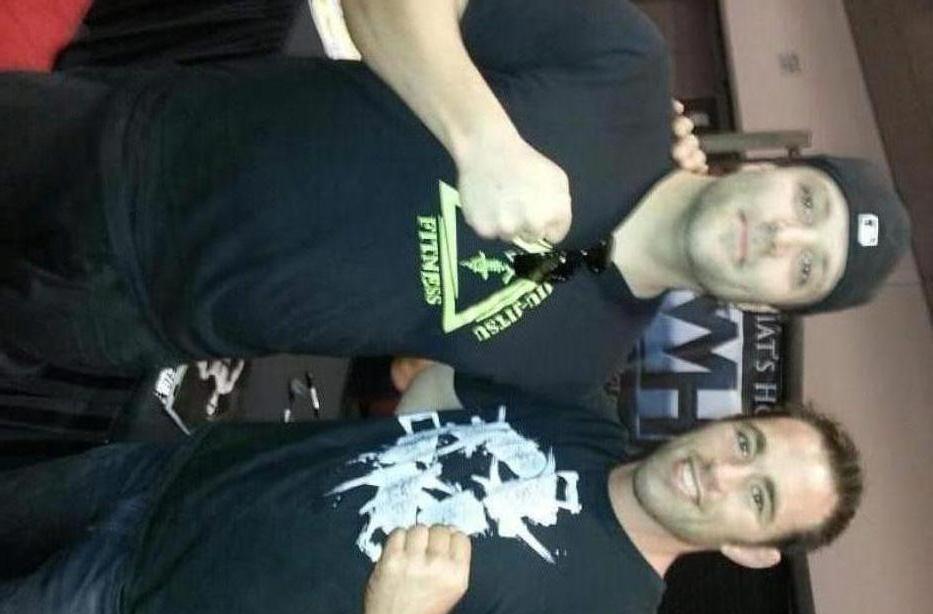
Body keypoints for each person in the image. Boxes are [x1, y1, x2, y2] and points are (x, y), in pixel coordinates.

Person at [0, 0, 909, 403]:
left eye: (805, 267)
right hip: (131, 151)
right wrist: (483, 140)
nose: (780, 235)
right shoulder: (625, 67)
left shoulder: (578, 366)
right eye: (806, 202)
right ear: (772, 170)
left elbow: (422, 407)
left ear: (765, 306)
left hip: (134, 326)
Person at [0, 370, 862, 614]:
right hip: (168, 476)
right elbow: (440, 363)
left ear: (751, 550)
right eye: (746, 444)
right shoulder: (577, 408)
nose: (721, 471)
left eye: (757, 498)